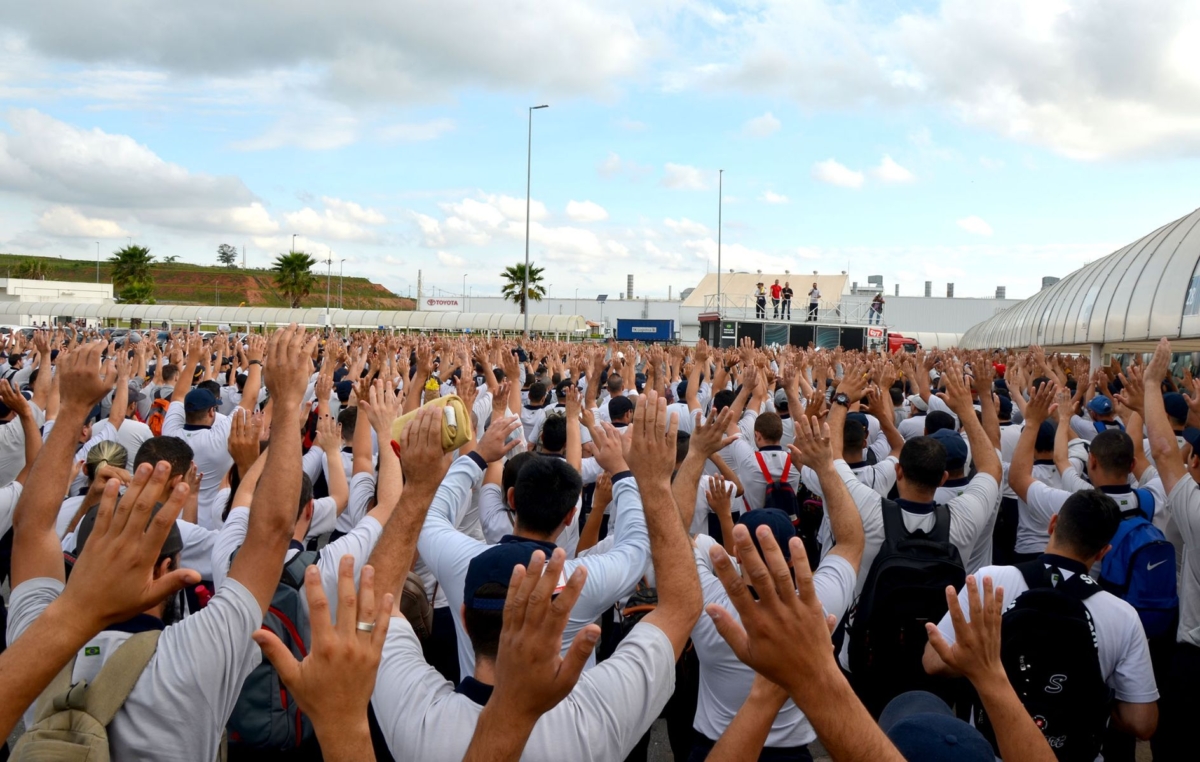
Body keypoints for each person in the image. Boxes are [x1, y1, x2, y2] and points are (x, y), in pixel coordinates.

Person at [923, 489, 1160, 756]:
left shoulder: (988, 582)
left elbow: (933, 661)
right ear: (1103, 551)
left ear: (1053, 524)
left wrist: (981, 667)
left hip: (992, 750)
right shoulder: (1124, 616)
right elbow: (1142, 722)